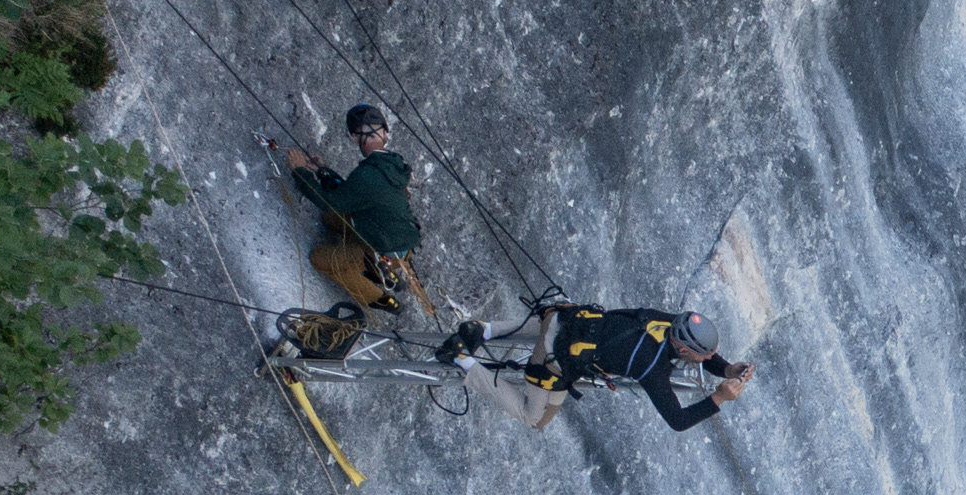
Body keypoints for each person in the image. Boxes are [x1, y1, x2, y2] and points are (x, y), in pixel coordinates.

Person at [447, 302, 751, 433]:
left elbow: (698, 350)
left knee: (558, 325)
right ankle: (462, 360)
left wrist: (726, 369)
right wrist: (720, 397)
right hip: (554, 356)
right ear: (682, 350)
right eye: (699, 356)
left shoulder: (667, 320)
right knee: (534, 418)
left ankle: (484, 330)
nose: (705, 359)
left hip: (562, 319)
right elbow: (678, 420)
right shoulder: (649, 366)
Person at [271, 107, 425, 315]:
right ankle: (382, 272)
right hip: (397, 238)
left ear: (354, 137)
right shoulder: (392, 162)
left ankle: (380, 299)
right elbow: (353, 193)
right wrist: (323, 172)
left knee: (321, 259)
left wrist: (299, 171)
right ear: (385, 132)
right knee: (332, 219)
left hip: (384, 246)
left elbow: (329, 201)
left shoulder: (368, 173)